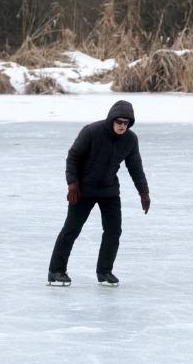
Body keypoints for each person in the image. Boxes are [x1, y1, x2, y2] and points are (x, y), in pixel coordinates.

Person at [48, 100, 151, 286]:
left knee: (113, 231)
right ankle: (56, 271)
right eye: (119, 122)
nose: (122, 126)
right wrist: (72, 183)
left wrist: (144, 192)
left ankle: (104, 272)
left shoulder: (130, 140)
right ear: (111, 119)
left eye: (126, 123)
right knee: (71, 230)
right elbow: (73, 156)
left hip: (109, 190)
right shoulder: (92, 131)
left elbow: (135, 167)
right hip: (83, 190)